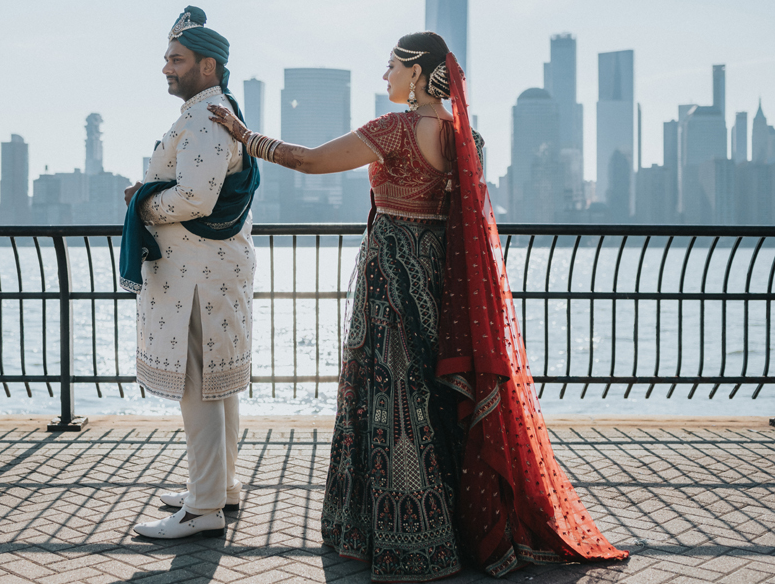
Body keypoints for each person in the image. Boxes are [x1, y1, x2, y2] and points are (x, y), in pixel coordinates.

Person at [208, 32, 629, 579]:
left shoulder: (395, 131)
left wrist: (244, 136)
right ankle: (454, 532)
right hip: (444, 288)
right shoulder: (467, 138)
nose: (384, 78)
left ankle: (403, 538)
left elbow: (310, 162)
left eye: (391, 68)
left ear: (417, 72)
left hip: (389, 285)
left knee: (387, 398)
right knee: (436, 399)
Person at [121, 6, 259, 540]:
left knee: (198, 387)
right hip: (214, 271)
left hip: (196, 276)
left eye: (176, 60)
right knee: (219, 386)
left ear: (208, 66)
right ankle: (220, 489)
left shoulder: (205, 116)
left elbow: (197, 198)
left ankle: (202, 511)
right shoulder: (217, 111)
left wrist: (142, 204)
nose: (165, 69)